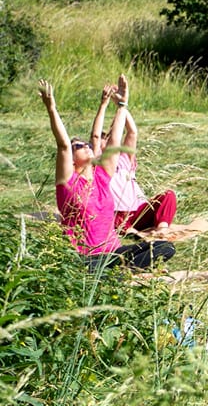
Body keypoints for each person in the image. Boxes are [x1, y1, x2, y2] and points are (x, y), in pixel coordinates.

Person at [38, 81, 170, 269]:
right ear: (71, 160)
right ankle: (118, 273)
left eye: (86, 144)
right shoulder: (68, 183)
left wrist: (122, 105)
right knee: (94, 266)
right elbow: (63, 145)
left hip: (113, 253)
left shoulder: (101, 177)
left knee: (165, 247)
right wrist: (51, 108)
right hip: (85, 257)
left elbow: (115, 141)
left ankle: (120, 272)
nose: (86, 146)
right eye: (79, 146)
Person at [103, 74, 178, 232]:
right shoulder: (98, 164)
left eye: (108, 136)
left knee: (168, 195)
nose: (107, 140)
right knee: (112, 217)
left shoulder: (125, 159)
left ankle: (161, 230)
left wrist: (121, 105)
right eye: (104, 138)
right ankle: (133, 232)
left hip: (139, 212)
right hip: (117, 214)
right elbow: (96, 138)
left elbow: (132, 133)